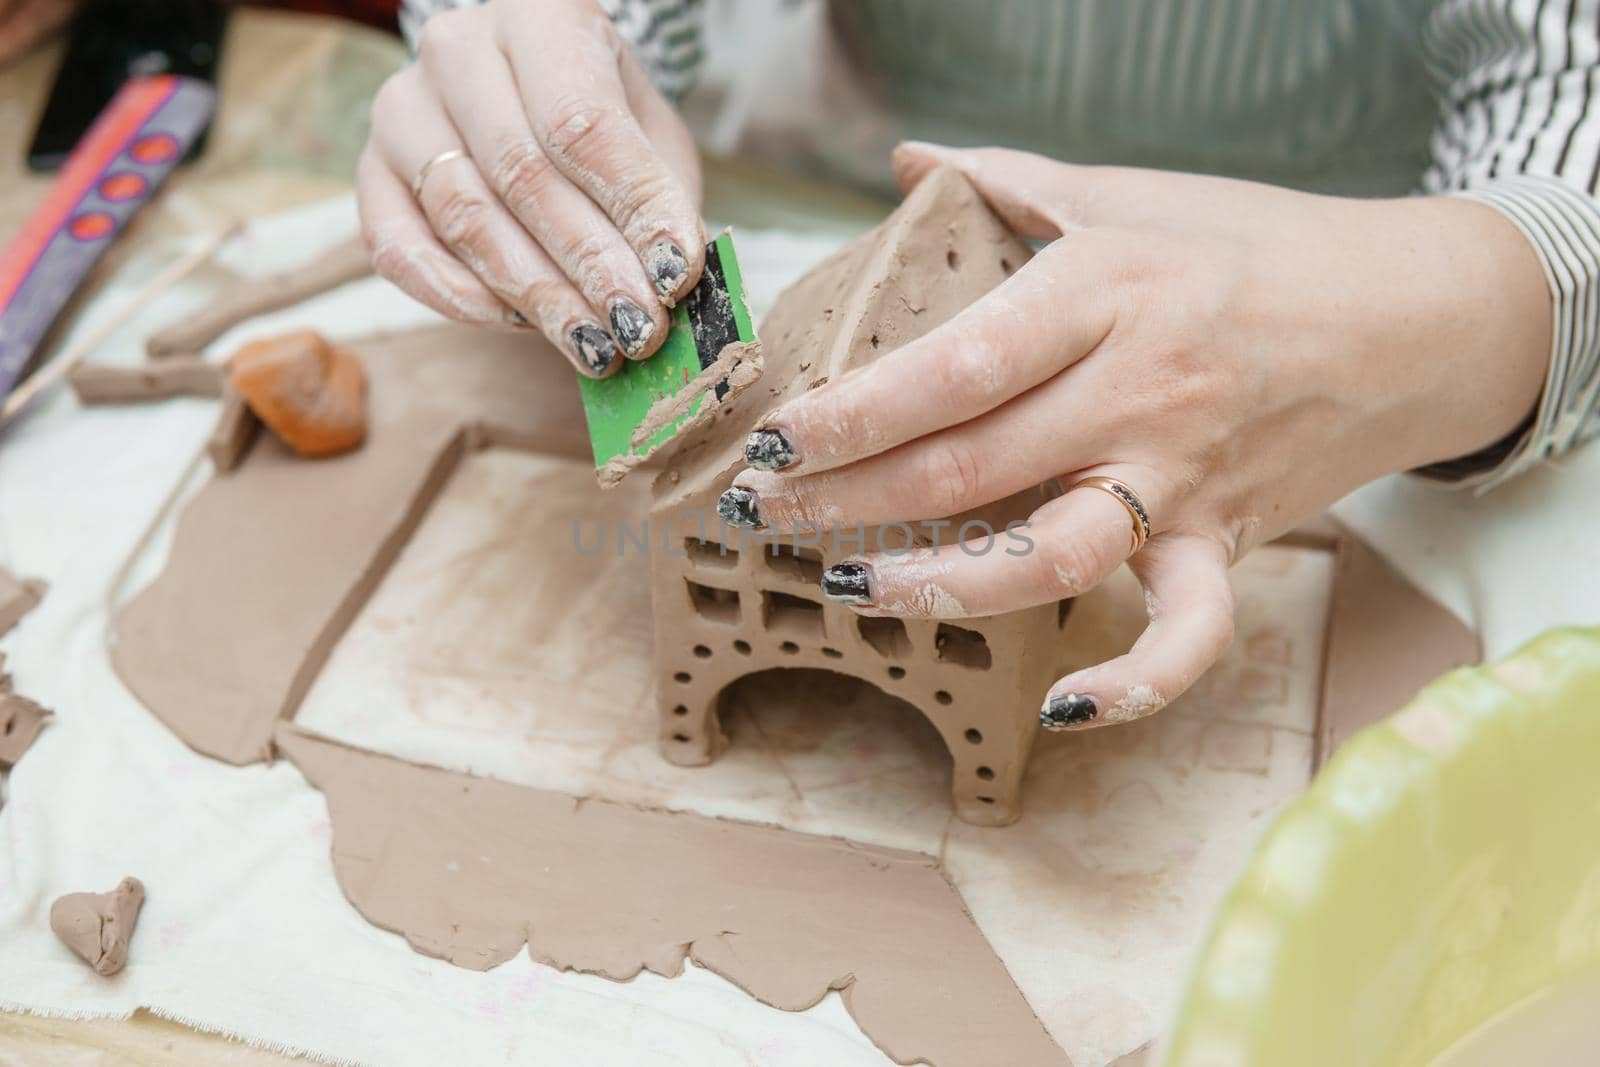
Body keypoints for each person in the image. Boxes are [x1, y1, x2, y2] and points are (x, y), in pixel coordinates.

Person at [361, 0, 1600, 731]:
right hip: (852, 187)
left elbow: (1569, 109)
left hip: (1345, 271)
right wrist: (542, 63)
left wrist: (1434, 306)